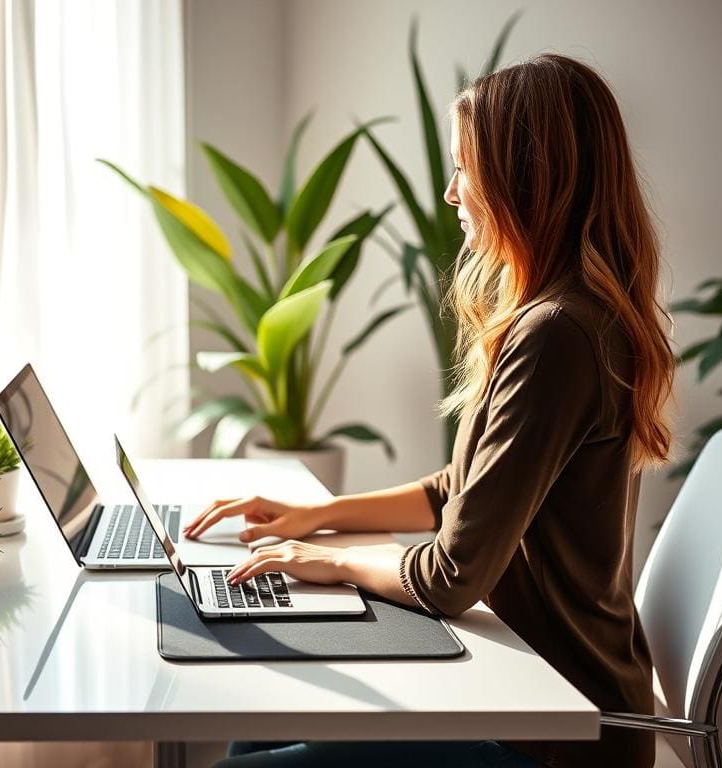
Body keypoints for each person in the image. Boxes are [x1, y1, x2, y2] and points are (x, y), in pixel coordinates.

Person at [184, 52, 674, 768]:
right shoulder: (568, 316)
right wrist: (313, 517)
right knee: (262, 716)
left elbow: (451, 578)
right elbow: (460, 491)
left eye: (464, 170)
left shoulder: (558, 336)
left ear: (526, 181)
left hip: (560, 730)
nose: (450, 193)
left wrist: (334, 564)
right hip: (529, 685)